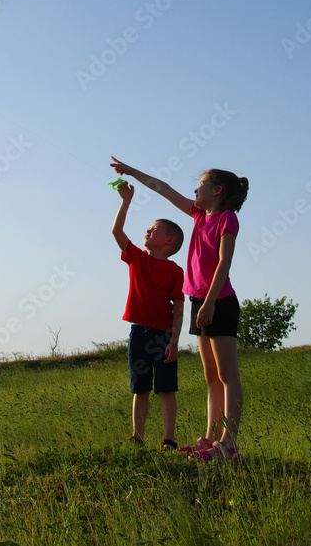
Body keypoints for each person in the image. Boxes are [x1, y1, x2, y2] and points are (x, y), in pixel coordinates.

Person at [110, 156, 248, 462]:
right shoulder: (199, 215)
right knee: (211, 376)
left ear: (218, 190)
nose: (195, 190)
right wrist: (131, 170)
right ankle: (211, 439)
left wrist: (211, 300)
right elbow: (164, 188)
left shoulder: (227, 218)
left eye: (201, 185)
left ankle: (229, 442)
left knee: (227, 375)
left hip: (219, 300)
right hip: (200, 300)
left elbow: (224, 261)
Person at [111, 179, 185, 451]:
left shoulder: (176, 271)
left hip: (163, 336)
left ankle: (169, 439)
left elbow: (179, 307)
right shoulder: (137, 258)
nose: (147, 230)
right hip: (138, 333)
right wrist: (125, 202)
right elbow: (116, 231)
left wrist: (174, 342)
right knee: (139, 387)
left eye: (153, 229)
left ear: (169, 240)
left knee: (166, 388)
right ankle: (137, 437)